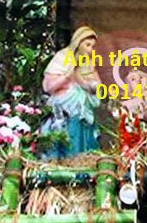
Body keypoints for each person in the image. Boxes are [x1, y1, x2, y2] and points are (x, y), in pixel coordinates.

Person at [40, 26, 102, 158]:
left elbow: (97, 86)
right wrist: (67, 77)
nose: (90, 49)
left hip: (83, 108)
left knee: (82, 135)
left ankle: (81, 157)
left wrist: (87, 84)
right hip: (64, 105)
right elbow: (48, 87)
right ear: (78, 42)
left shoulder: (88, 62)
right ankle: (65, 158)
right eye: (87, 45)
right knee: (66, 135)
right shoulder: (62, 57)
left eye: (93, 46)